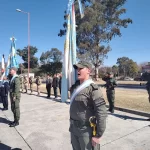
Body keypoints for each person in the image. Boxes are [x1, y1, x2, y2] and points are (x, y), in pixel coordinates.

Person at [70, 61, 107, 150]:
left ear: (88, 71)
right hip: (74, 129)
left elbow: (101, 112)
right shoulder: (76, 87)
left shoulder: (93, 89)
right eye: (77, 69)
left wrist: (98, 135)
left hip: (86, 131)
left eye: (80, 68)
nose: (78, 71)